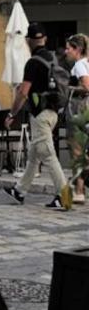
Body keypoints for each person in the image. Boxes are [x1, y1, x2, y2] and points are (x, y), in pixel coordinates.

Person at [3, 23, 69, 210]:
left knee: (48, 155)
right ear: (45, 39)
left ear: (28, 41)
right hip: (54, 112)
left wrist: (11, 114)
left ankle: (65, 196)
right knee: (34, 155)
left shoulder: (32, 63)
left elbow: (23, 92)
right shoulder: (55, 59)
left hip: (40, 114)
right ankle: (20, 190)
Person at [65, 34, 89, 203]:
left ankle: (79, 191)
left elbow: (87, 86)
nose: (66, 51)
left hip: (78, 108)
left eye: (69, 48)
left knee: (76, 149)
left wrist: (68, 87)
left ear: (77, 50)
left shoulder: (80, 64)